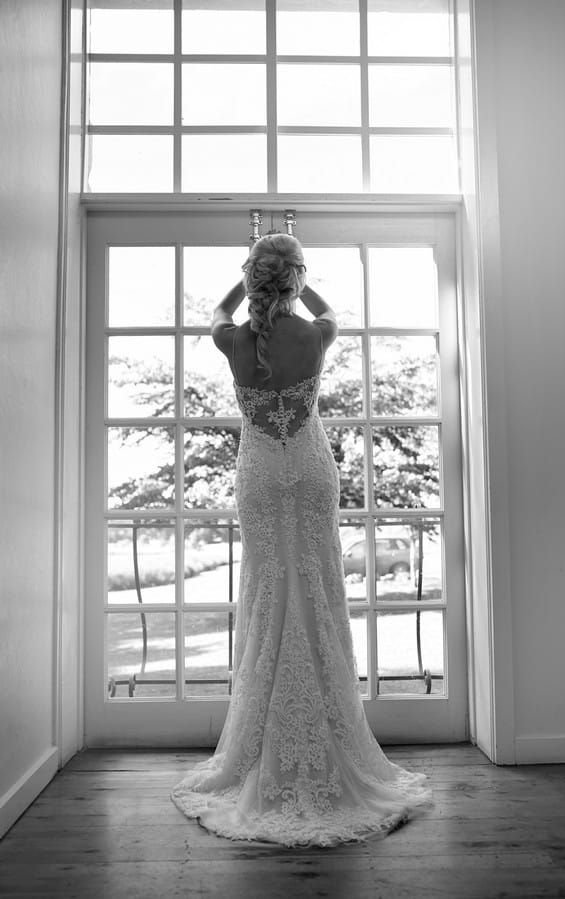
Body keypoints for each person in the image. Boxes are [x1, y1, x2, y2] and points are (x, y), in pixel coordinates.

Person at [171, 234, 433, 847]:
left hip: (262, 475)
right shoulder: (316, 336)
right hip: (311, 473)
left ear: (255, 281)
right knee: (317, 592)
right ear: (295, 280)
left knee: (268, 593)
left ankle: (263, 745)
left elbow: (220, 311)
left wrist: (247, 279)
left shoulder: (234, 341)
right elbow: (328, 313)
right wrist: (299, 278)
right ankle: (331, 735)